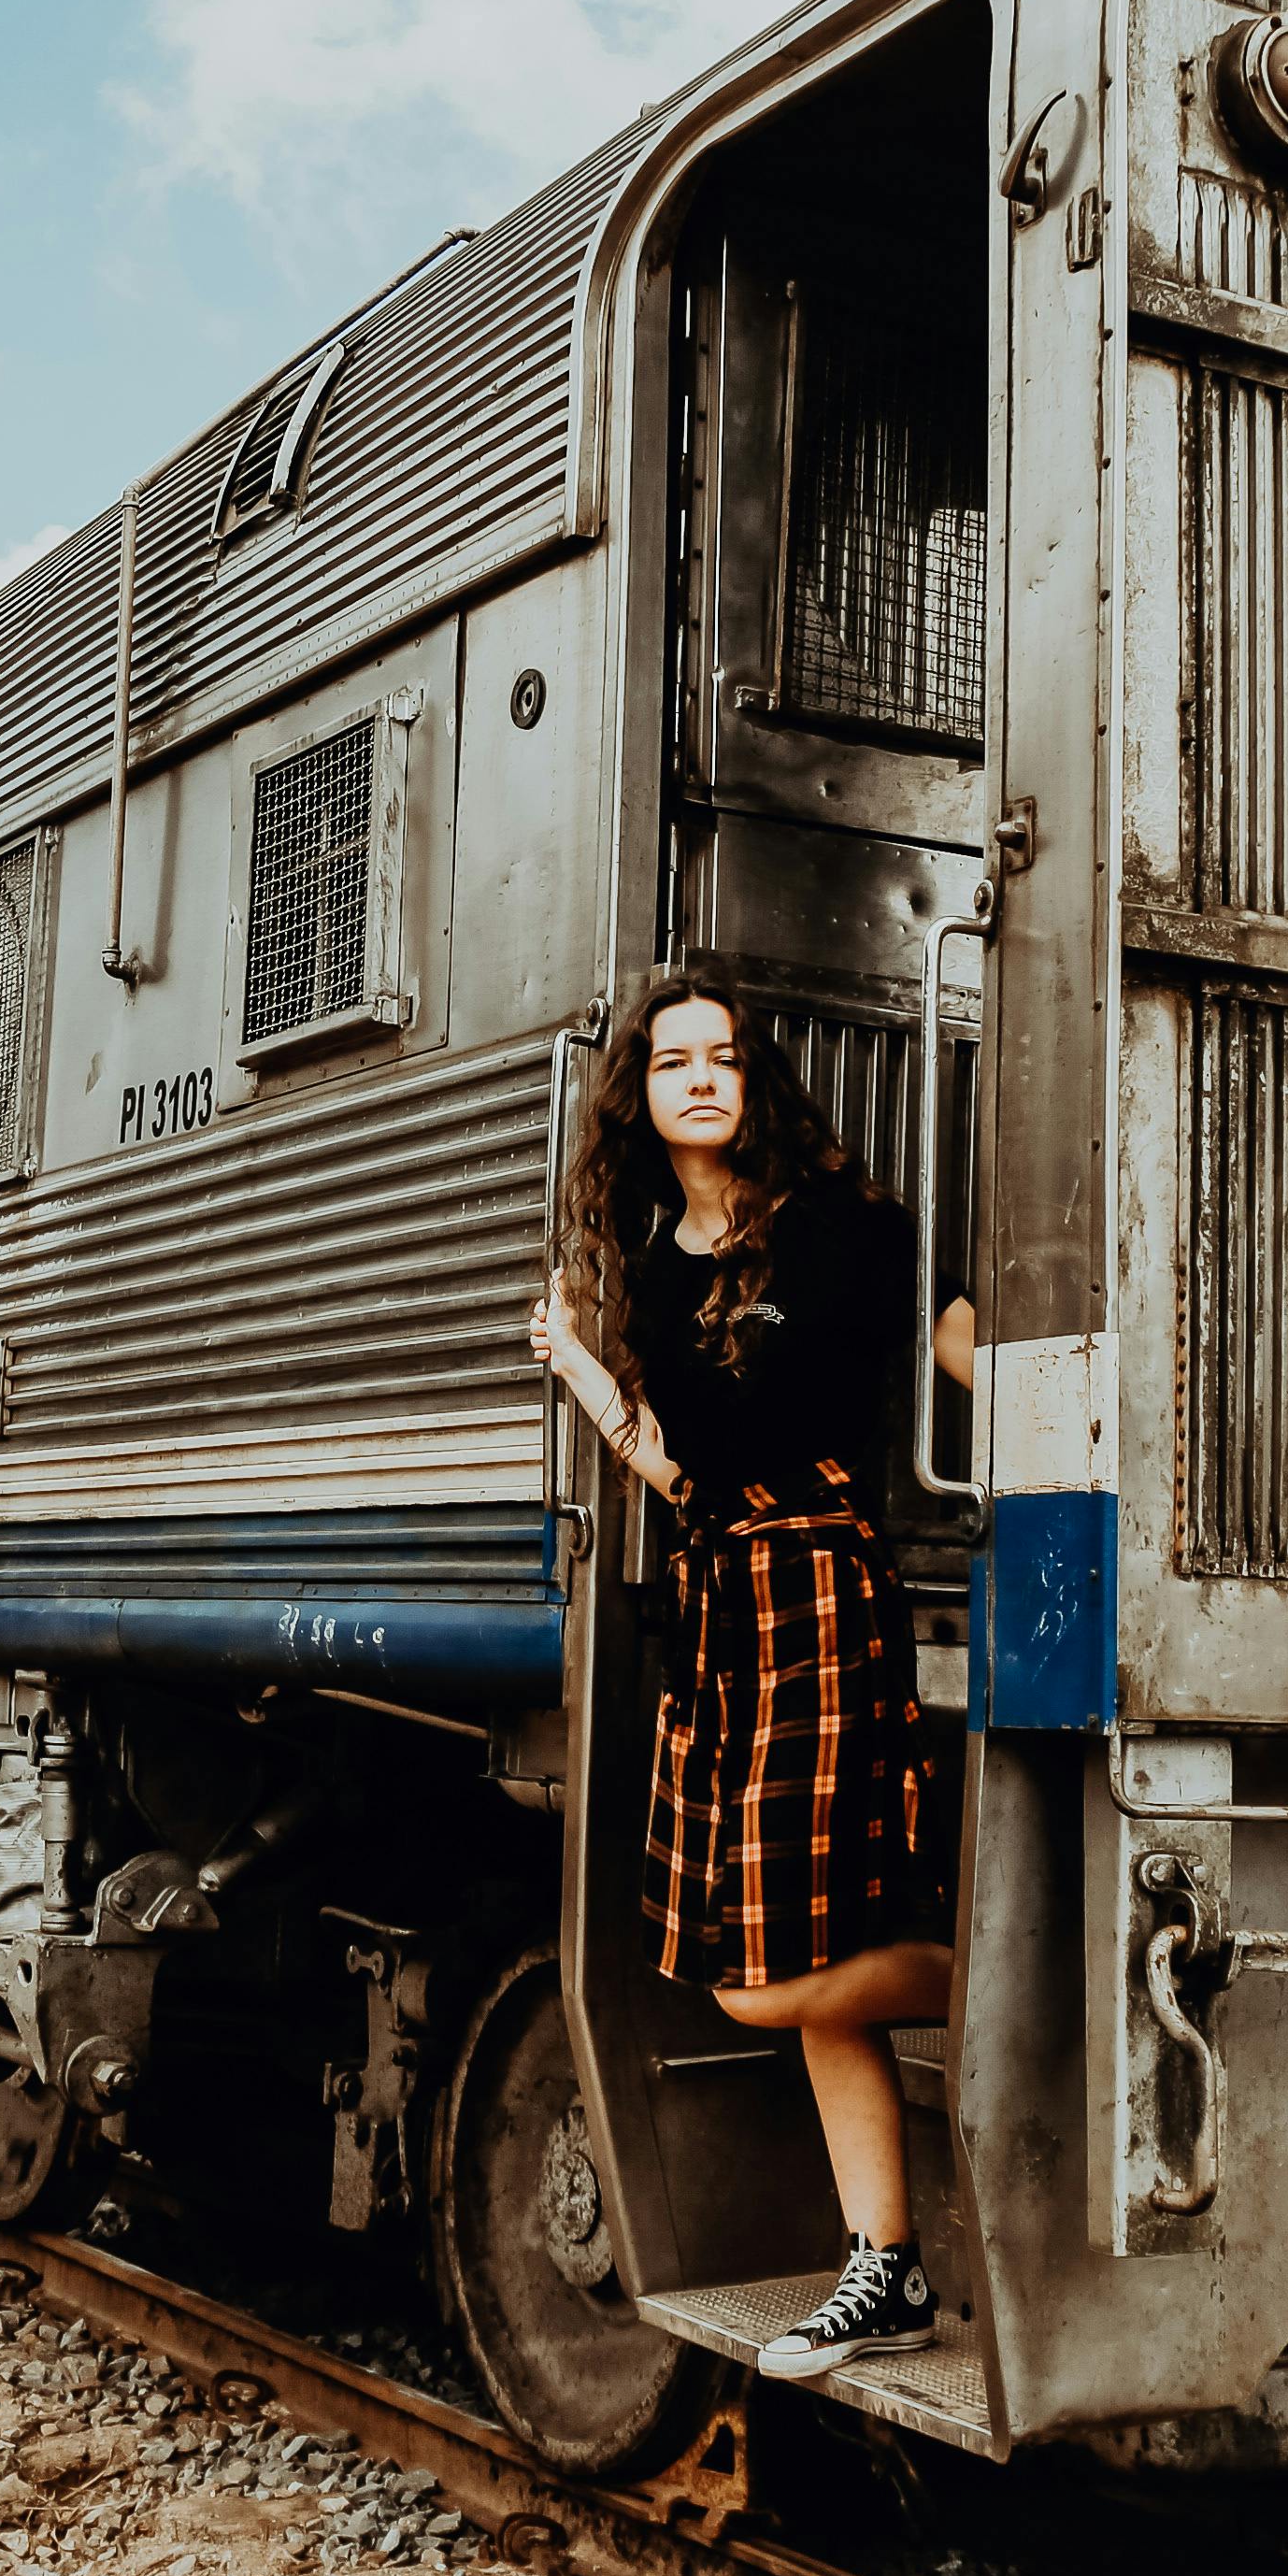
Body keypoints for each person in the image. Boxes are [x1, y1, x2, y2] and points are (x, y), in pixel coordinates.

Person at [528, 966, 976, 2379]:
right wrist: (595, 1385)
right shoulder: (659, 1272)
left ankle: (1025, 1993)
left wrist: (1066, 1407)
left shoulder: (840, 1226)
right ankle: (884, 2271)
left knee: (780, 1979)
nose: (702, 1078)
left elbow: (950, 1336)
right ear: (643, 1097)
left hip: (825, 1595)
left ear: (753, 1080)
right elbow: (684, 1475)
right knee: (778, 1966)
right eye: (675, 1063)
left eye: (724, 1056)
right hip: (725, 1608)